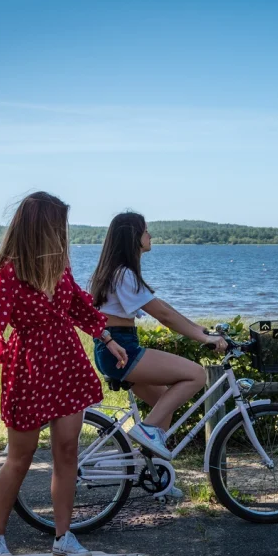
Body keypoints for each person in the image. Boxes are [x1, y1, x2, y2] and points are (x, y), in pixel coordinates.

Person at [0, 192, 128, 556]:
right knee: (21, 456)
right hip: (29, 368)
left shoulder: (60, 269)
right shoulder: (6, 276)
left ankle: (64, 536)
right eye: (58, 225)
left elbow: (81, 305)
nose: (63, 233)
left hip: (66, 363)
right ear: (40, 228)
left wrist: (108, 339)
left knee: (67, 451)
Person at [89, 212, 227, 496]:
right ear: (133, 237)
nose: (150, 236)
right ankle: (146, 431)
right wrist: (203, 337)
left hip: (116, 348)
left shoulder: (117, 272)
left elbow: (163, 307)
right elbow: (162, 314)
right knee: (196, 374)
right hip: (122, 348)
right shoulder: (123, 274)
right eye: (146, 231)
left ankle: (158, 480)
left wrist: (201, 330)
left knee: (165, 401)